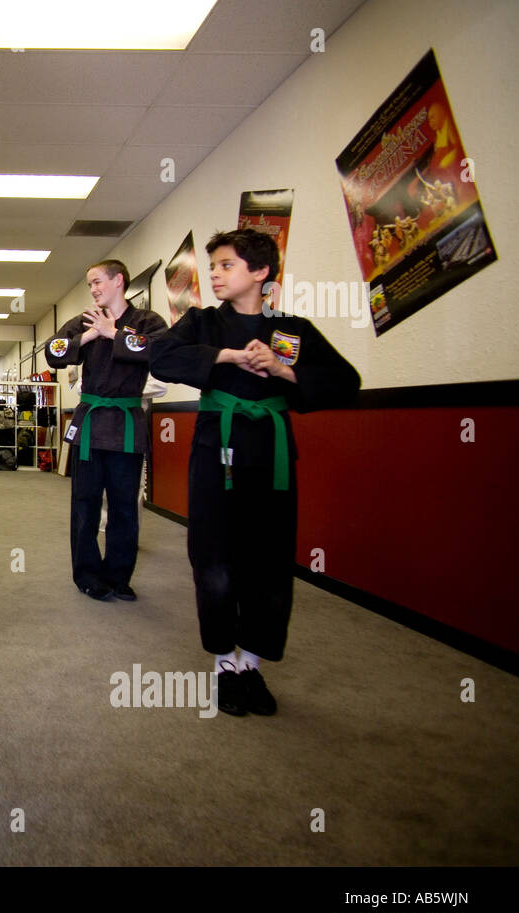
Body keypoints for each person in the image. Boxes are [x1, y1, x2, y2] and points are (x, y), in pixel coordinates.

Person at [149, 229, 360, 717]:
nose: (216, 274)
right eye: (215, 266)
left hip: (271, 451)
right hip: (215, 446)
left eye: (226, 265)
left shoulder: (291, 328)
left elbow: (346, 383)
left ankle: (253, 665)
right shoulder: (202, 323)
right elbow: (159, 356)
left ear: (261, 272)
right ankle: (225, 663)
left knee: (266, 560)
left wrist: (286, 372)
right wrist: (226, 356)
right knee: (215, 558)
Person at [44, 260, 166, 601]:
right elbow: (53, 353)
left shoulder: (146, 322)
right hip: (90, 426)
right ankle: (86, 575)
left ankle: (118, 576)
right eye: (90, 285)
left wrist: (114, 334)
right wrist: (90, 335)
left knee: (125, 506)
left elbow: (163, 352)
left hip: (126, 425)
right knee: (84, 504)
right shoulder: (85, 321)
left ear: (119, 281)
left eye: (98, 282)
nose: (94, 289)